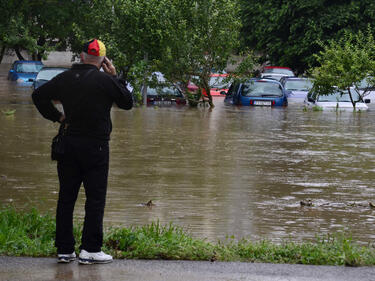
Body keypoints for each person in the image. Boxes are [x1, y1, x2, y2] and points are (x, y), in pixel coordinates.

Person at [32, 39, 133, 264]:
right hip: (96, 147)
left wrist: (57, 116)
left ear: (82, 55)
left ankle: (65, 250)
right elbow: (127, 102)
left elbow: (38, 96)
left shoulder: (64, 78)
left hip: (68, 144)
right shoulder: (105, 80)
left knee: (66, 198)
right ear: (103, 60)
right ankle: (90, 249)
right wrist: (115, 76)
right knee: (95, 199)